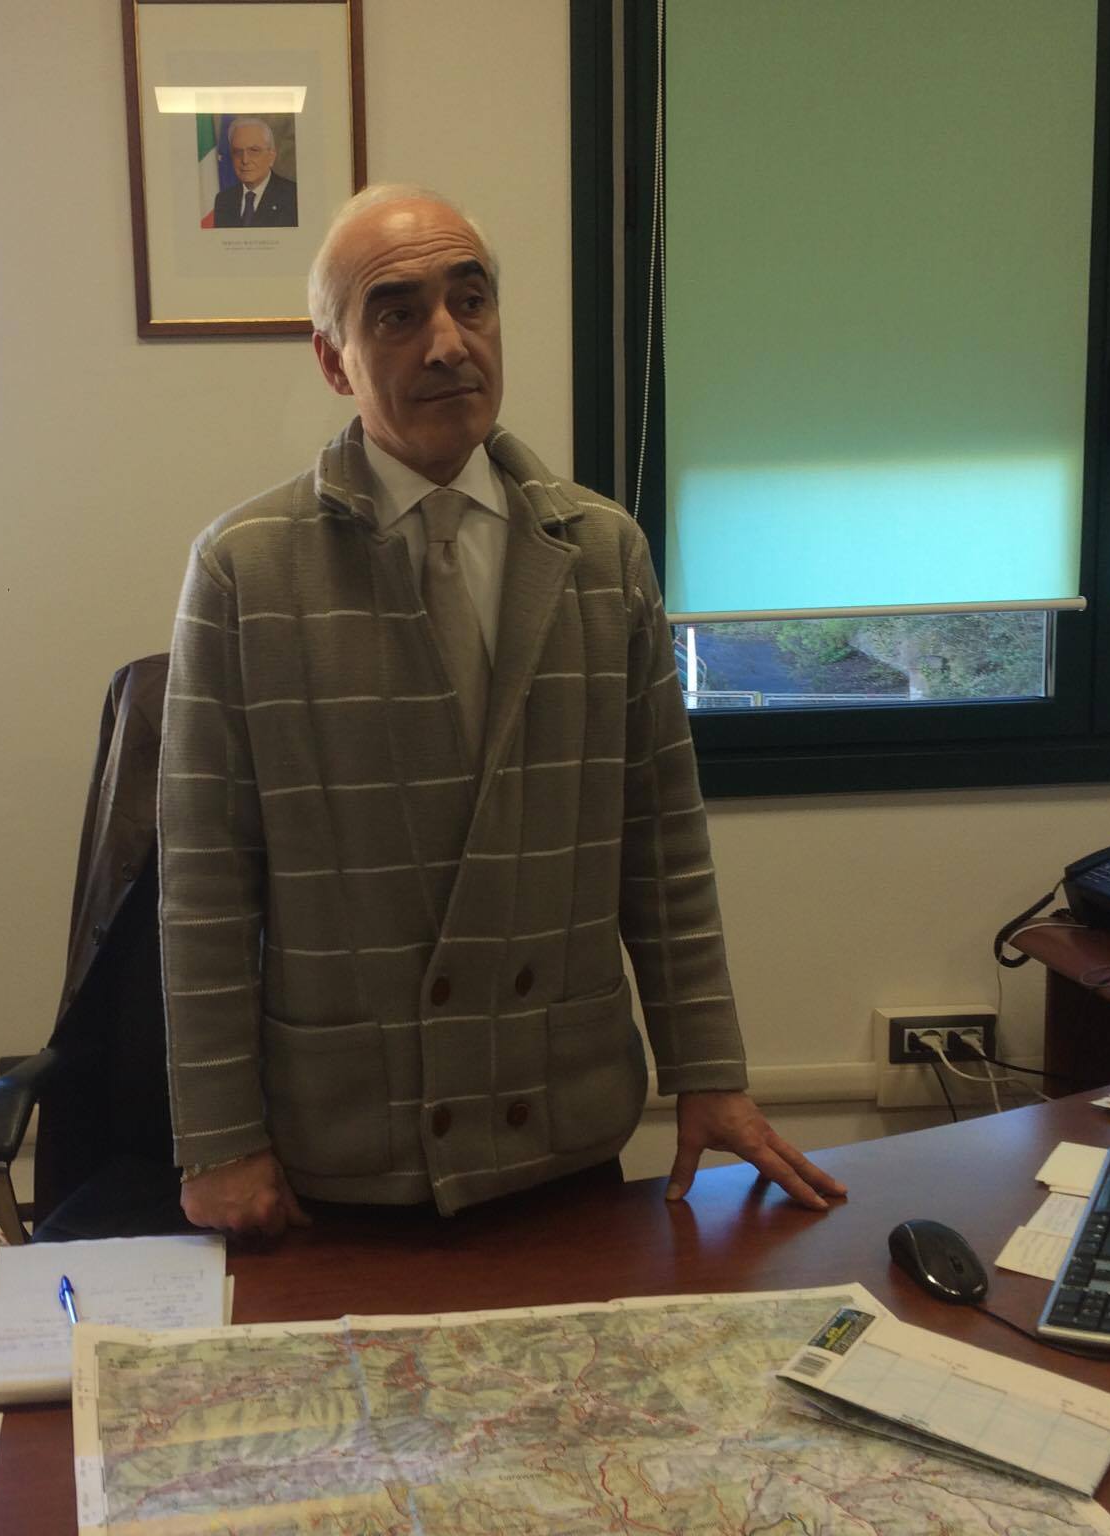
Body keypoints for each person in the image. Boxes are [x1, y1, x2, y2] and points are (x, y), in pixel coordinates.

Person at [160, 184, 847, 1237]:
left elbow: (661, 840)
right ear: (334, 361)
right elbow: (204, 885)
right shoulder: (245, 571)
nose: (447, 342)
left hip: (559, 1117)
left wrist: (707, 1070)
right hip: (348, 1142)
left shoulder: (601, 553)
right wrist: (217, 1142)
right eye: (397, 313)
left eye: (469, 301)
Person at [211, 117, 298, 229]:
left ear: (271, 157)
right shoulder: (223, 200)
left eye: (254, 151)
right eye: (238, 152)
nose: (245, 160)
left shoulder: (293, 197)